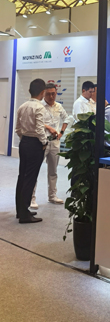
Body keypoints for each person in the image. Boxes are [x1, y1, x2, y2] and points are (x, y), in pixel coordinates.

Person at [31, 83, 69, 209]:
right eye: (48, 94)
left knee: (53, 171)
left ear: (56, 93)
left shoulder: (59, 106)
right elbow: (35, 122)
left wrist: (61, 132)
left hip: (55, 142)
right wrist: (49, 128)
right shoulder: (39, 106)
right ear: (43, 94)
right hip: (42, 142)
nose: (51, 96)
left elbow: (66, 118)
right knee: (35, 170)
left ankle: (52, 196)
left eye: (53, 94)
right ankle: (31, 198)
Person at [15, 78, 48, 223]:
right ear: (43, 92)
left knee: (22, 176)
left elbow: (18, 129)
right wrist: (44, 142)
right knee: (30, 178)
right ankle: (24, 215)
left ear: (29, 91)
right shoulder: (40, 108)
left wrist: (24, 138)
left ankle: (20, 210)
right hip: (35, 145)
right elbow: (40, 129)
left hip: (24, 143)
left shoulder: (22, 106)